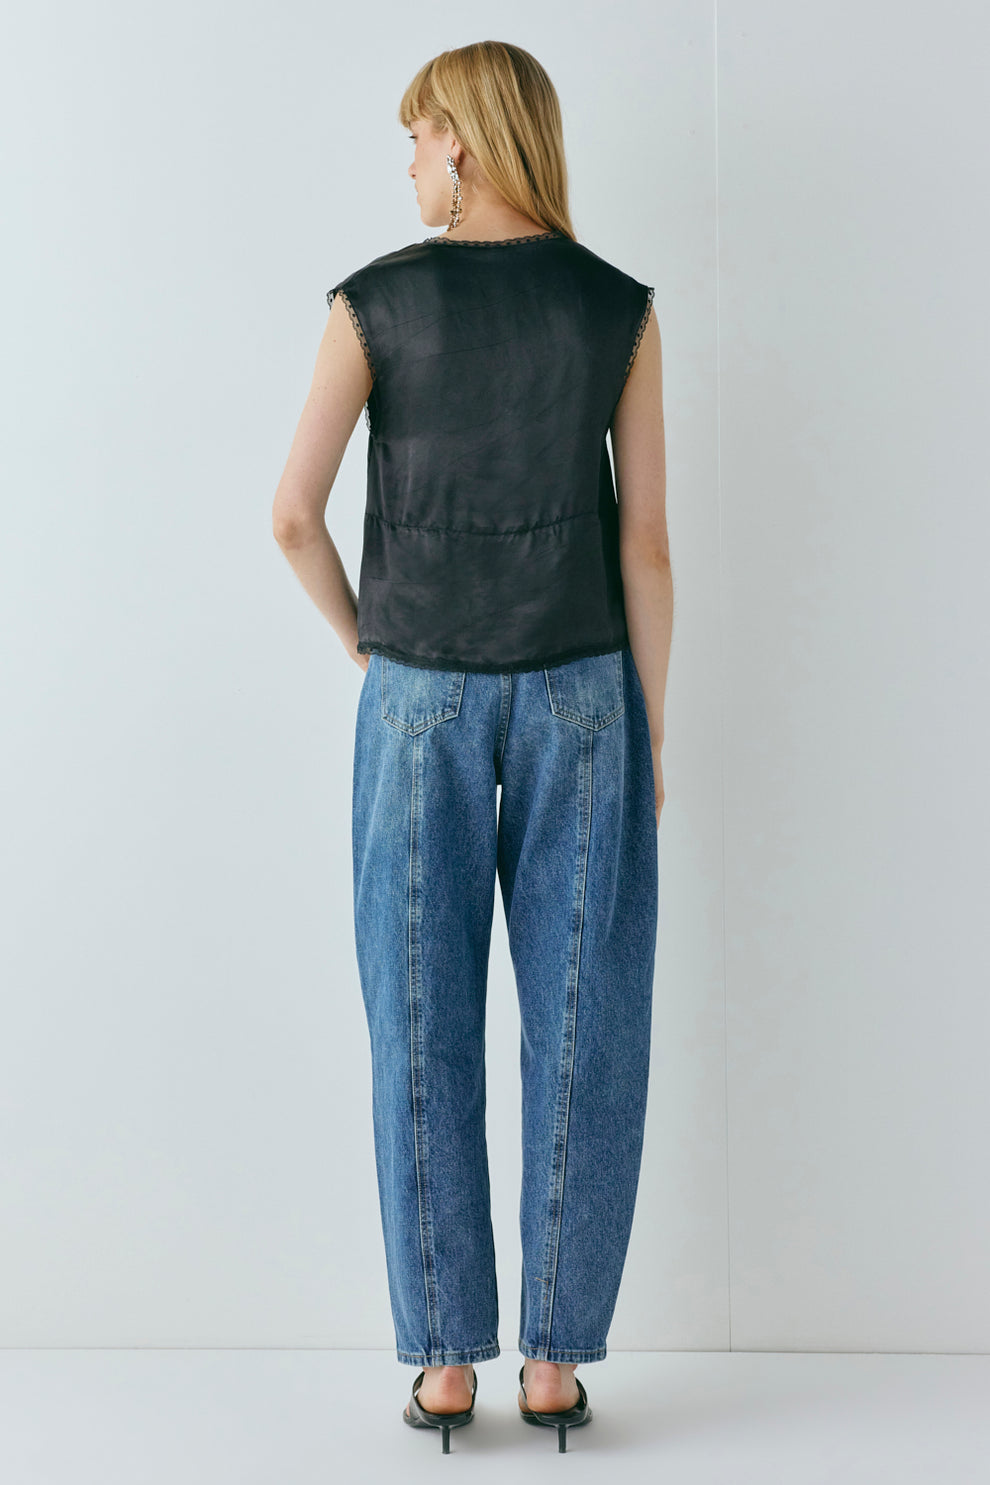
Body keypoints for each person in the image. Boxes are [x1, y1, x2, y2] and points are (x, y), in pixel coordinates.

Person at [272, 40, 672, 1453]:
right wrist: (650, 732)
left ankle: (446, 1365)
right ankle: (553, 1365)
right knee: (585, 1023)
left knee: (420, 1020)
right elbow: (646, 544)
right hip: (584, 692)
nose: (407, 163)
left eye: (415, 137)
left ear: (462, 139)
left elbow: (291, 515)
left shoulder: (372, 303)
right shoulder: (617, 308)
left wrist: (367, 649)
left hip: (419, 697)